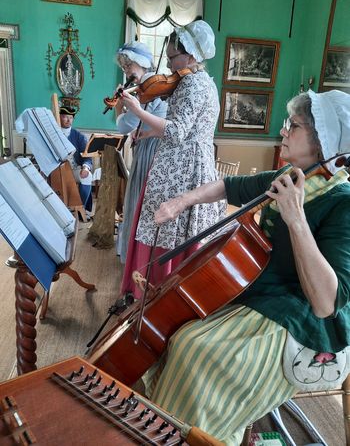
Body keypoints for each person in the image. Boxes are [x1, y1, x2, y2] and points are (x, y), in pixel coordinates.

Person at [140, 89, 350, 445]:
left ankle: (203, 436)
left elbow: (327, 303)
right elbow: (229, 185)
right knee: (179, 333)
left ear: (323, 142)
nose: (283, 131)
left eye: (293, 126)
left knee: (198, 353)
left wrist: (296, 219)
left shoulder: (341, 203)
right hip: (259, 291)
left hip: (300, 318)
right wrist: (181, 201)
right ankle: (168, 429)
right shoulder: (292, 175)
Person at [120, 20, 225, 298]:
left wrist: (138, 111)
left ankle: (158, 294)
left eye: (172, 58)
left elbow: (177, 132)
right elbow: (182, 128)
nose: (168, 66)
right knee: (173, 228)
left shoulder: (192, 83)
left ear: (190, 54)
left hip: (183, 168)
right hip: (189, 162)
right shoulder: (203, 82)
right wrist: (148, 133)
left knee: (168, 227)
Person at [114, 41, 167, 264]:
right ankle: (135, 255)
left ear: (143, 64)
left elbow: (125, 125)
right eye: (124, 67)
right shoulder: (146, 88)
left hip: (151, 150)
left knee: (139, 201)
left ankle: (135, 258)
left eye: (129, 65)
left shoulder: (149, 89)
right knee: (138, 201)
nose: (126, 71)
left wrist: (119, 108)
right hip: (148, 143)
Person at [59, 106, 93, 214]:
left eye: (71, 117)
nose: (68, 120)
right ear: (59, 117)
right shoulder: (54, 135)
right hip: (58, 172)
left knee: (88, 176)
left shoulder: (79, 136)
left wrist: (86, 168)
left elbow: (87, 157)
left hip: (74, 170)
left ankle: (80, 208)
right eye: (65, 117)